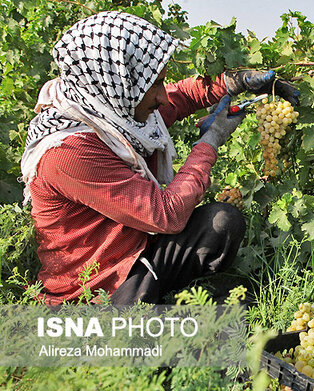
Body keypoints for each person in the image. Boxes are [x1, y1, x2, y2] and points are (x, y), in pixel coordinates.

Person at [20, 11, 299, 305]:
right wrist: (211, 140)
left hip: (139, 247)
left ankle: (162, 293)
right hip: (96, 280)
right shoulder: (68, 153)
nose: (163, 96)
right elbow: (166, 214)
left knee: (222, 222)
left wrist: (236, 82)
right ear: (121, 82)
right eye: (155, 85)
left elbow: (180, 98)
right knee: (133, 323)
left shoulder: (112, 110)